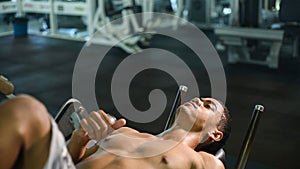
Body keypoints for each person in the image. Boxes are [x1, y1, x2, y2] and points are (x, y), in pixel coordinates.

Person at [0, 94, 231, 169]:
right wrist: (80, 139)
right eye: (200, 99)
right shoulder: (125, 131)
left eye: (207, 105)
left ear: (215, 135)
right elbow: (71, 160)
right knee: (25, 108)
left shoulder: (203, 160)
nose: (198, 101)